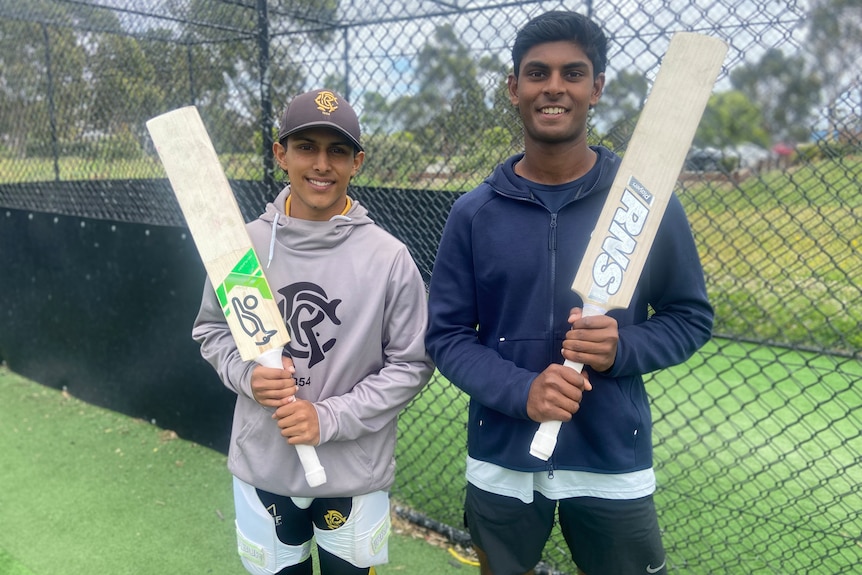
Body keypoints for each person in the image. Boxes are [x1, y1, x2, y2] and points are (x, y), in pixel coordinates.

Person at [425, 11, 713, 575]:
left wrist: (621, 349)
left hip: (611, 458)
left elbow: (690, 317)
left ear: (596, 88)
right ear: (514, 89)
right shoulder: (474, 213)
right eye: (537, 73)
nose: (554, 87)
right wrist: (521, 390)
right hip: (503, 458)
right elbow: (448, 336)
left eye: (573, 73)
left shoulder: (645, 206)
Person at [193, 88, 434, 575]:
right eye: (306, 147)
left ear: (357, 161)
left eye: (337, 150)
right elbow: (213, 331)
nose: (321, 164)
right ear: (281, 154)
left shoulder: (389, 258)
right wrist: (247, 376)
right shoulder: (242, 247)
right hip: (265, 464)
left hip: (351, 469)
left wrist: (328, 418)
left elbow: (411, 365)